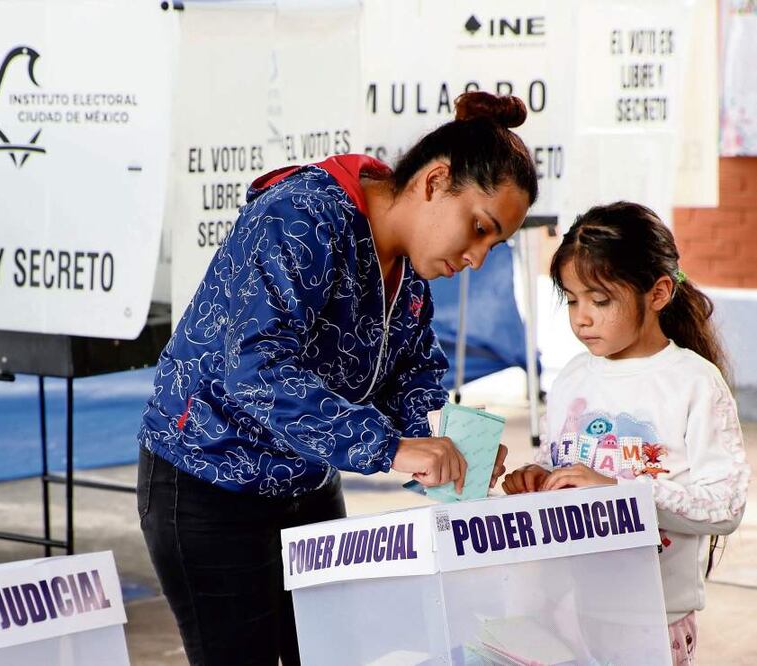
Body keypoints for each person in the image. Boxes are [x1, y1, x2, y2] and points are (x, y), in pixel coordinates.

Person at [138, 91, 538, 666]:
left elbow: (414, 369)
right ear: (435, 182)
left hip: (307, 485)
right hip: (209, 482)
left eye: (493, 244)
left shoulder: (408, 267)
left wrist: (449, 444)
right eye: (478, 228)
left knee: (330, 653)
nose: (477, 257)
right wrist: (390, 447)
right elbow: (256, 368)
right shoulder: (302, 217)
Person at [502, 202, 750, 665]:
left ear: (657, 293)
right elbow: (563, 471)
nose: (582, 318)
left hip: (652, 623)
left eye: (600, 301)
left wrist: (621, 492)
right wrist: (536, 479)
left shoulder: (693, 382)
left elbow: (725, 506)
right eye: (572, 299)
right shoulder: (573, 377)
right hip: (568, 614)